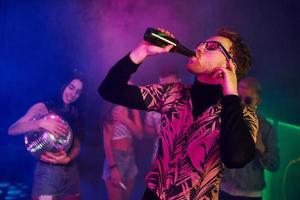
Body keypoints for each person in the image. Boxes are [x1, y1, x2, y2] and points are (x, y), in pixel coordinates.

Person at [99, 28, 258, 200]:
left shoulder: (243, 115)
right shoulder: (172, 93)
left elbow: (236, 158)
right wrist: (142, 51)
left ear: (230, 64)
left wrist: (231, 94)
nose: (200, 47)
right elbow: (109, 90)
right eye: (201, 43)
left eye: (211, 46)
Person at [8, 77, 84, 200]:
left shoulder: (75, 112)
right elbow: (12, 129)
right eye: (71, 87)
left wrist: (68, 159)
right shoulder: (43, 107)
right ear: (63, 85)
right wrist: (40, 123)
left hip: (71, 172)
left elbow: (77, 144)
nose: (73, 94)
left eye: (78, 92)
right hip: (48, 173)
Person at [219, 77, 280, 200]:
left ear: (257, 101)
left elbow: (274, 165)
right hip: (222, 189)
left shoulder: (266, 128)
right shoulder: (224, 120)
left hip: (250, 195)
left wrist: (261, 149)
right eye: (238, 99)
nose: (241, 104)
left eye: (247, 100)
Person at [102, 104, 143, 200]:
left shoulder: (133, 109)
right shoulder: (112, 108)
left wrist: (126, 120)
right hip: (116, 156)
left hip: (130, 156)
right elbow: (107, 143)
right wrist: (113, 167)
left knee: (126, 197)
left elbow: (139, 135)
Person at [144, 65, 181, 161]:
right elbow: (147, 130)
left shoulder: (189, 100)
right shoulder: (155, 102)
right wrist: (156, 130)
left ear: (179, 81)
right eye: (163, 86)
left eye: (170, 85)